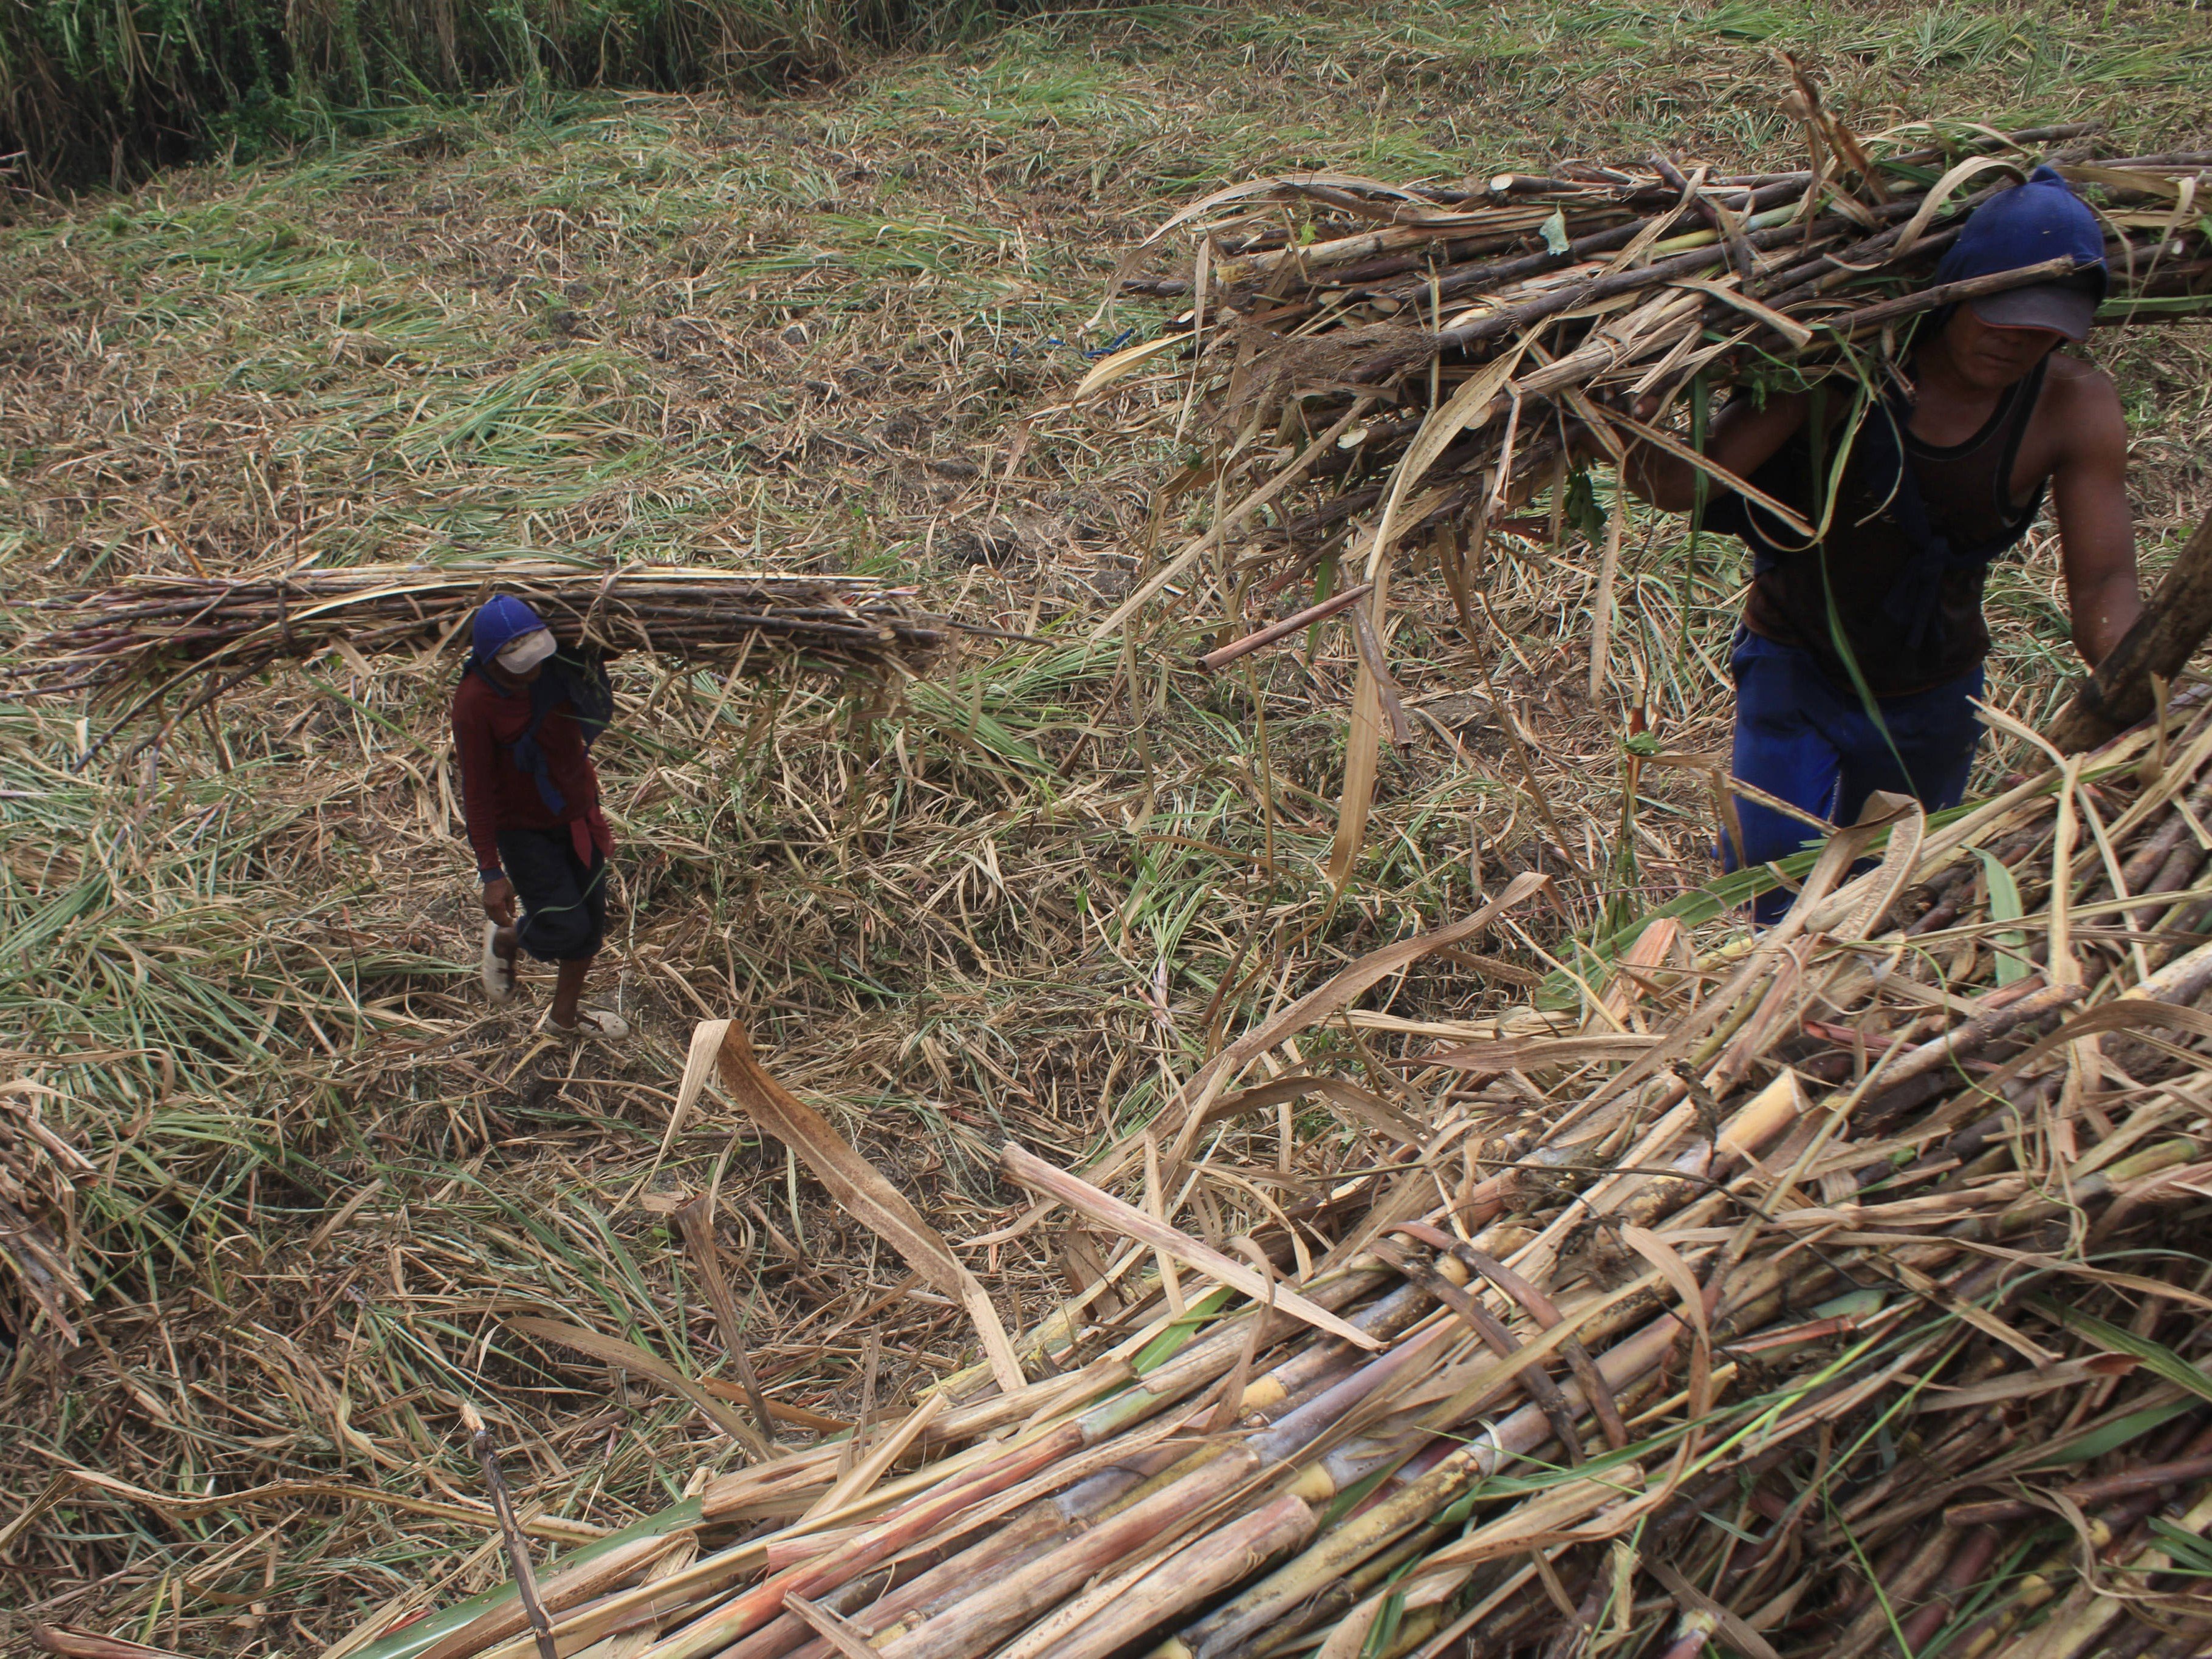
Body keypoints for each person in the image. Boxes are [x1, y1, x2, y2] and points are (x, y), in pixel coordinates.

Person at [1620, 167, 2141, 921]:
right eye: (2000, 314)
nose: (2017, 341)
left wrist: (2146, 689)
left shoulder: (2070, 406)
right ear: (1952, 290)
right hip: (1794, 664)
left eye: (2045, 327)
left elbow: (2102, 586)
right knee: (1770, 876)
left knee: (1888, 895)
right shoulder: (1843, 369)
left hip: (1933, 689)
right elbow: (1683, 483)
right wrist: (1599, 415)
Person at [453, 595, 629, 1038]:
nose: (533, 669)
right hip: (524, 830)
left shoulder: (558, 664)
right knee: (564, 926)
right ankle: (506, 938)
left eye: (537, 656)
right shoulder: (474, 702)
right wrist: (491, 872)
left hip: (578, 812)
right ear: (492, 662)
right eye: (521, 663)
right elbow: (476, 790)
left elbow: (611, 645)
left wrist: (614, 620)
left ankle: (562, 1020)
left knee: (590, 926)